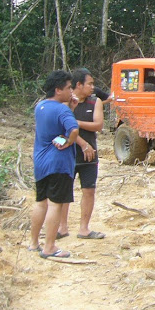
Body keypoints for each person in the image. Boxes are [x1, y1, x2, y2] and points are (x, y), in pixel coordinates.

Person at [29, 70, 79, 258]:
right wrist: (68, 141)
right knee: (56, 205)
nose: (71, 91)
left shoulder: (40, 107)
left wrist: (70, 109)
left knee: (41, 202)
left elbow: (53, 127)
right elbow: (73, 129)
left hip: (40, 162)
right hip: (58, 163)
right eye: (68, 88)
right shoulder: (61, 109)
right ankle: (49, 247)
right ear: (58, 90)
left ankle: (34, 243)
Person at [58, 68, 106, 240]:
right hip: (68, 154)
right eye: (90, 84)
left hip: (90, 155)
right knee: (65, 191)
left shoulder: (96, 102)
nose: (93, 87)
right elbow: (64, 128)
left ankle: (84, 228)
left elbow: (98, 125)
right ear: (79, 85)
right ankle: (62, 227)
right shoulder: (66, 103)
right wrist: (82, 142)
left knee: (89, 190)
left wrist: (75, 123)